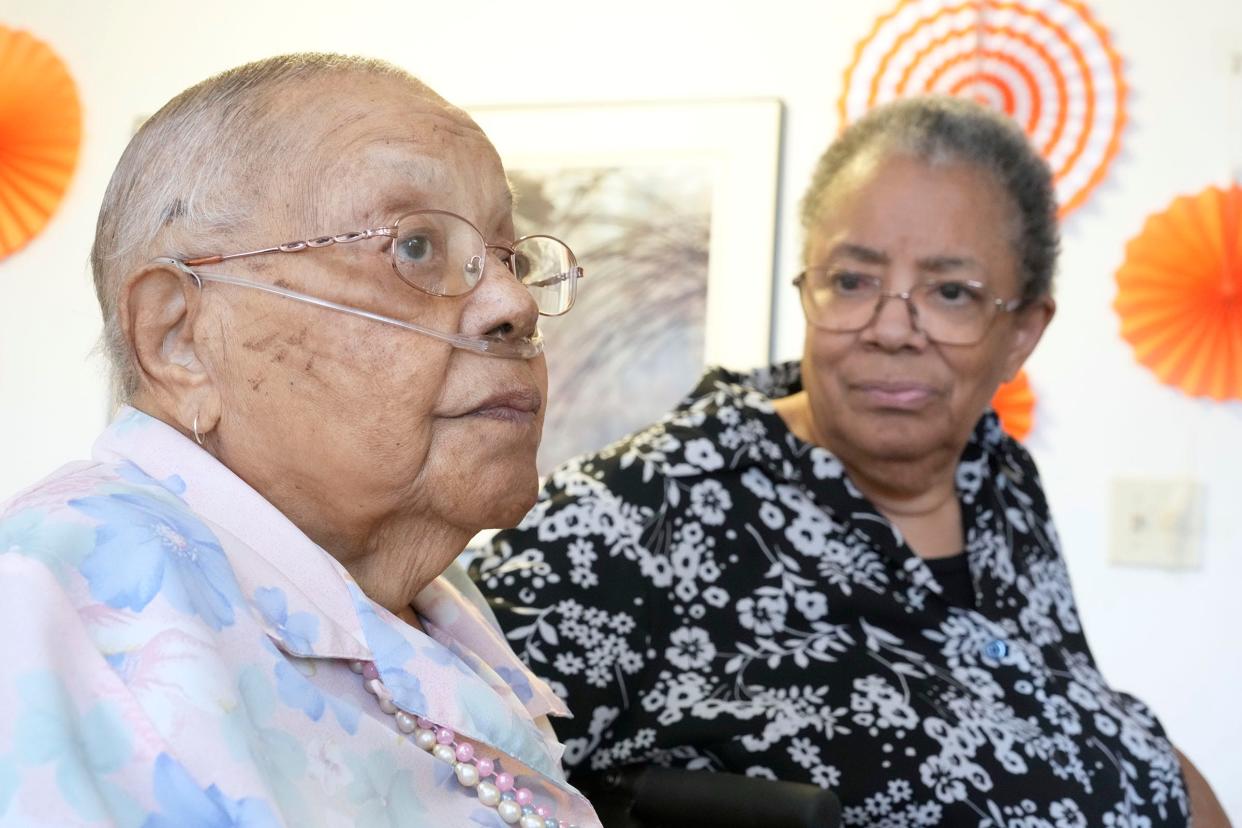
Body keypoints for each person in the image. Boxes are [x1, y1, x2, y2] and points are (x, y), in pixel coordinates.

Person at [470, 97, 1231, 826]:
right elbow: (446, 766)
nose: (892, 328)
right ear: (809, 284)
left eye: (952, 292)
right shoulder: (638, 512)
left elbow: (1047, 702)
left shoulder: (996, 478)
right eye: (853, 280)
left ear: (1023, 334)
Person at [0, 53, 598, 828]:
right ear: (180, 339)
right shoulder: (60, 600)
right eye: (413, 247)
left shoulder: (398, 594)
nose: (514, 303)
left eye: (512, 259)